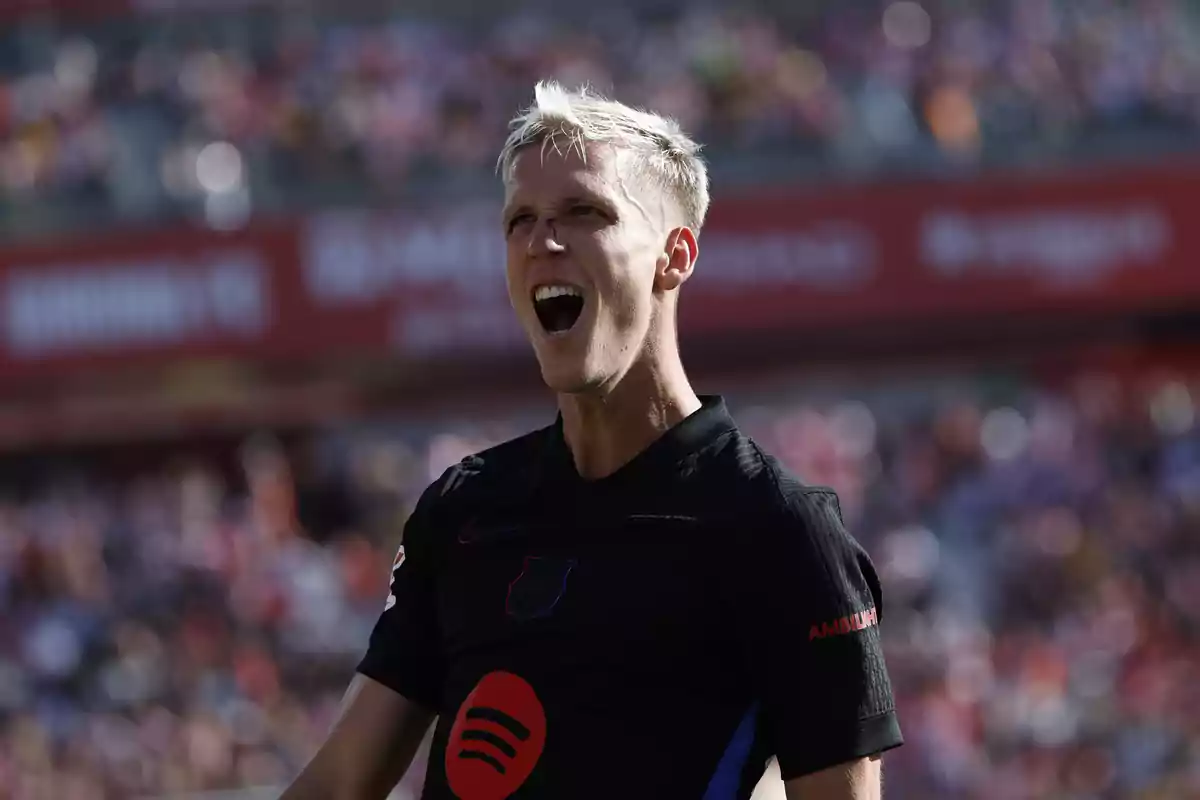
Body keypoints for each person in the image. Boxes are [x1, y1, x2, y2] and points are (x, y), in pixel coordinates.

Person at [280, 81, 903, 800]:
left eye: (584, 213)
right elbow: (338, 784)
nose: (543, 241)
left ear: (675, 256)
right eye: (520, 220)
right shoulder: (462, 511)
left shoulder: (781, 530)